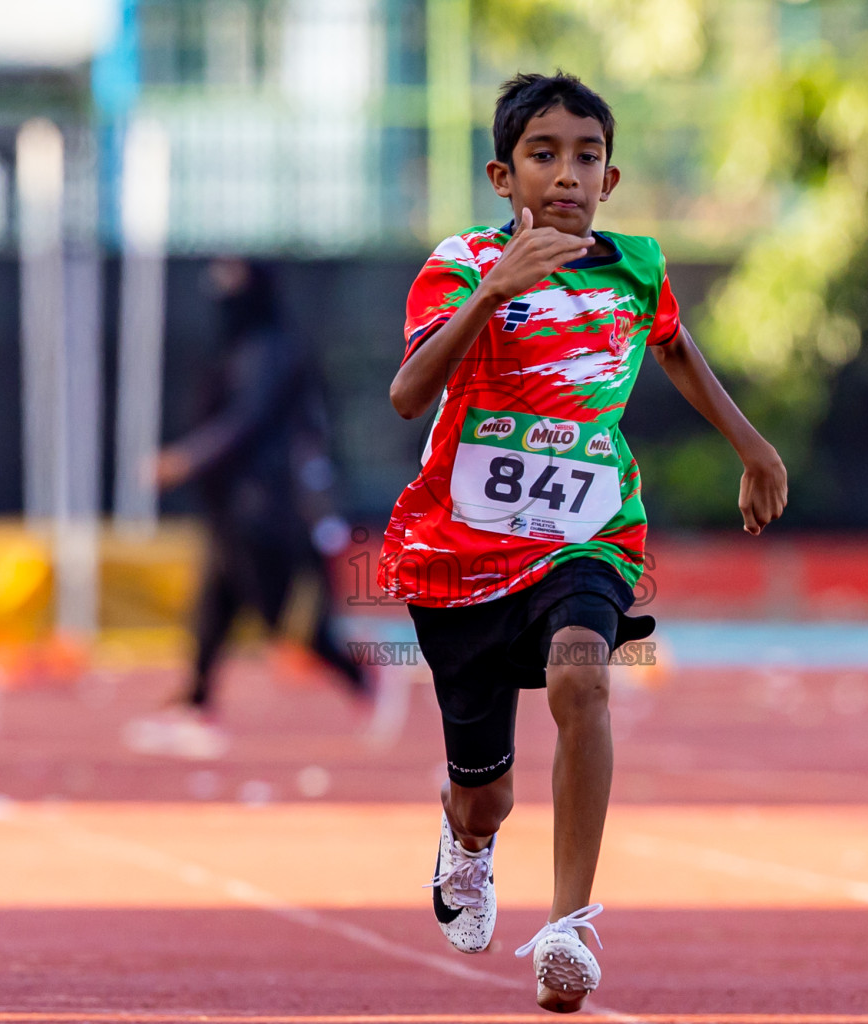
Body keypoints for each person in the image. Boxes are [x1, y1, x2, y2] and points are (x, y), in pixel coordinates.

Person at [380, 73, 788, 1012]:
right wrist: (497, 288)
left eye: (587, 156)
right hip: (461, 555)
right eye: (544, 154)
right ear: (503, 175)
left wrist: (752, 444)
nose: (567, 173)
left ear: (610, 178)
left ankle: (566, 927)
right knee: (486, 794)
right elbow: (407, 394)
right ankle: (467, 838)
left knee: (583, 675)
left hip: (588, 533)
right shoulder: (460, 262)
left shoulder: (635, 268)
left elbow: (673, 343)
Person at [132, 259, 367, 760]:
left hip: (265, 508)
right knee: (213, 604)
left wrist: (186, 459)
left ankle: (361, 674)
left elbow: (247, 421)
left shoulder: (274, 349)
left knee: (285, 621)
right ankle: (195, 702)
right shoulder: (238, 347)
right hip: (232, 505)